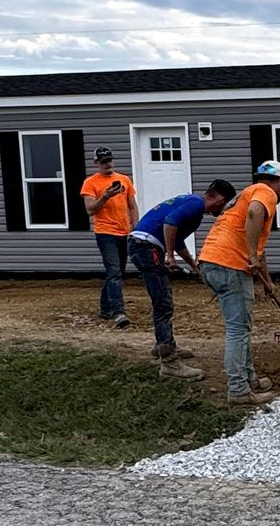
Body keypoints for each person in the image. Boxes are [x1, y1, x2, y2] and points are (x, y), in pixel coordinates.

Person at [195, 158, 280, 398]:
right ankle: (238, 390)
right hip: (229, 265)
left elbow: (256, 246)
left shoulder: (246, 194)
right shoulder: (266, 192)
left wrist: (267, 280)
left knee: (241, 326)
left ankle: (249, 379)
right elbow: (255, 216)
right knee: (238, 329)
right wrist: (253, 258)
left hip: (211, 261)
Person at [129, 179, 233, 368]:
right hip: (145, 246)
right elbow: (169, 223)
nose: (223, 209)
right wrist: (170, 256)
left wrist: (194, 265)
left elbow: (177, 241)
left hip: (143, 246)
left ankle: (164, 345)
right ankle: (169, 361)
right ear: (219, 199)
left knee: (162, 300)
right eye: (225, 204)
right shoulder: (195, 203)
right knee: (163, 303)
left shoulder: (195, 210)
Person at [80, 148, 139, 327]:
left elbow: (132, 206)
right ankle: (118, 312)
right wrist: (105, 196)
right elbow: (90, 209)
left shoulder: (124, 180)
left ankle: (105, 308)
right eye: (104, 161)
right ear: (96, 163)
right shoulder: (90, 183)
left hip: (123, 232)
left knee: (117, 271)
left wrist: (136, 228)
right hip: (105, 232)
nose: (108, 164)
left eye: (110, 160)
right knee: (114, 271)